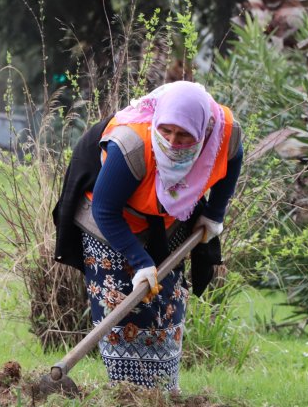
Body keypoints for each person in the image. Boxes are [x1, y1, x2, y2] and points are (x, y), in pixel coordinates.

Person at [54, 81, 243, 391]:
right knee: (122, 301)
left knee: (168, 299)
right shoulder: (132, 145)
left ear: (203, 132)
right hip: (106, 218)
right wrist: (140, 262)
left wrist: (214, 214)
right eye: (166, 131)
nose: (172, 142)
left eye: (184, 136)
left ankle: (165, 391)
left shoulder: (222, 132)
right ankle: (127, 393)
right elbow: (105, 210)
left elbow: (233, 160)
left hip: (173, 210)